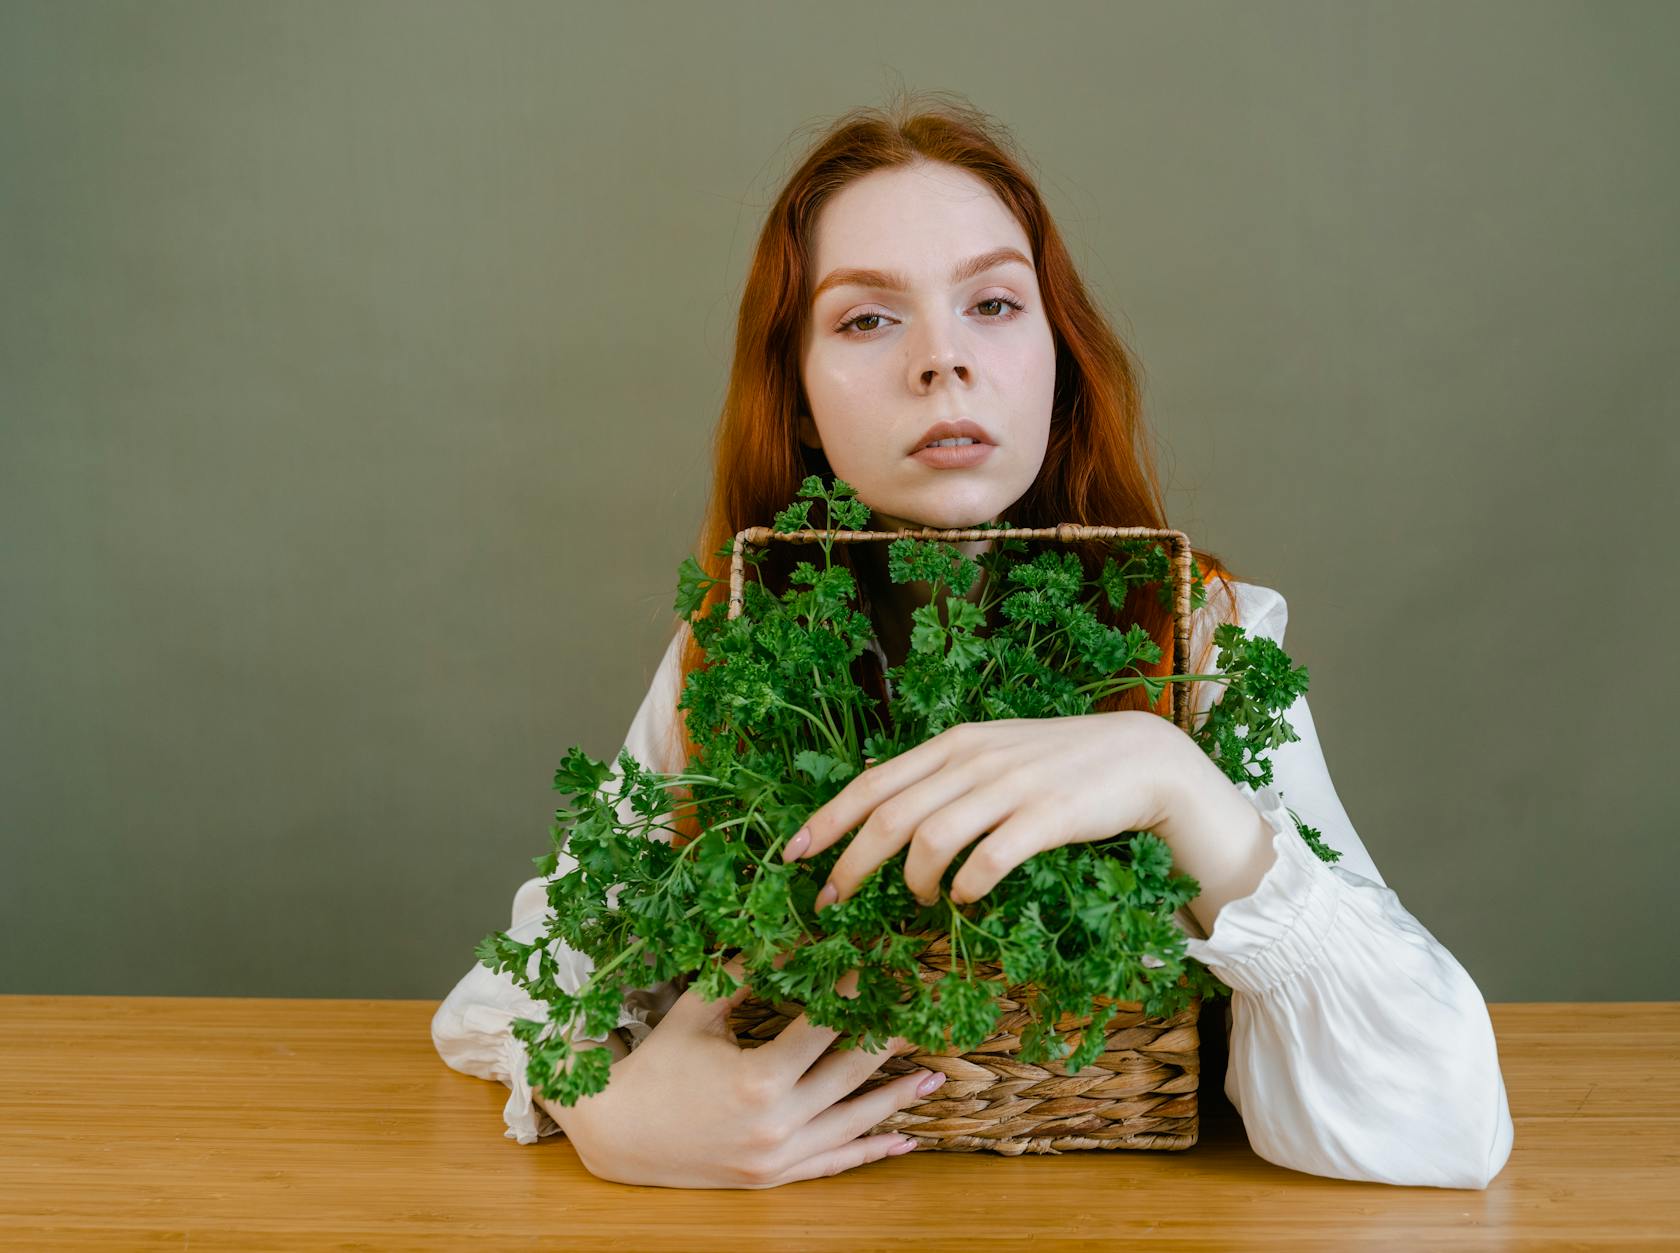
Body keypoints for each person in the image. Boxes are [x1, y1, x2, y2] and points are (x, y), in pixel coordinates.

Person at [432, 91, 1515, 1191]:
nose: (941, 362)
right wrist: (602, 1106)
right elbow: (517, 983)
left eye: (993, 304)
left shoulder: (1199, 637)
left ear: (1059, 356)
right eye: (865, 319)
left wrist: (1173, 779)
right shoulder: (744, 648)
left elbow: (1447, 1119)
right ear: (798, 397)